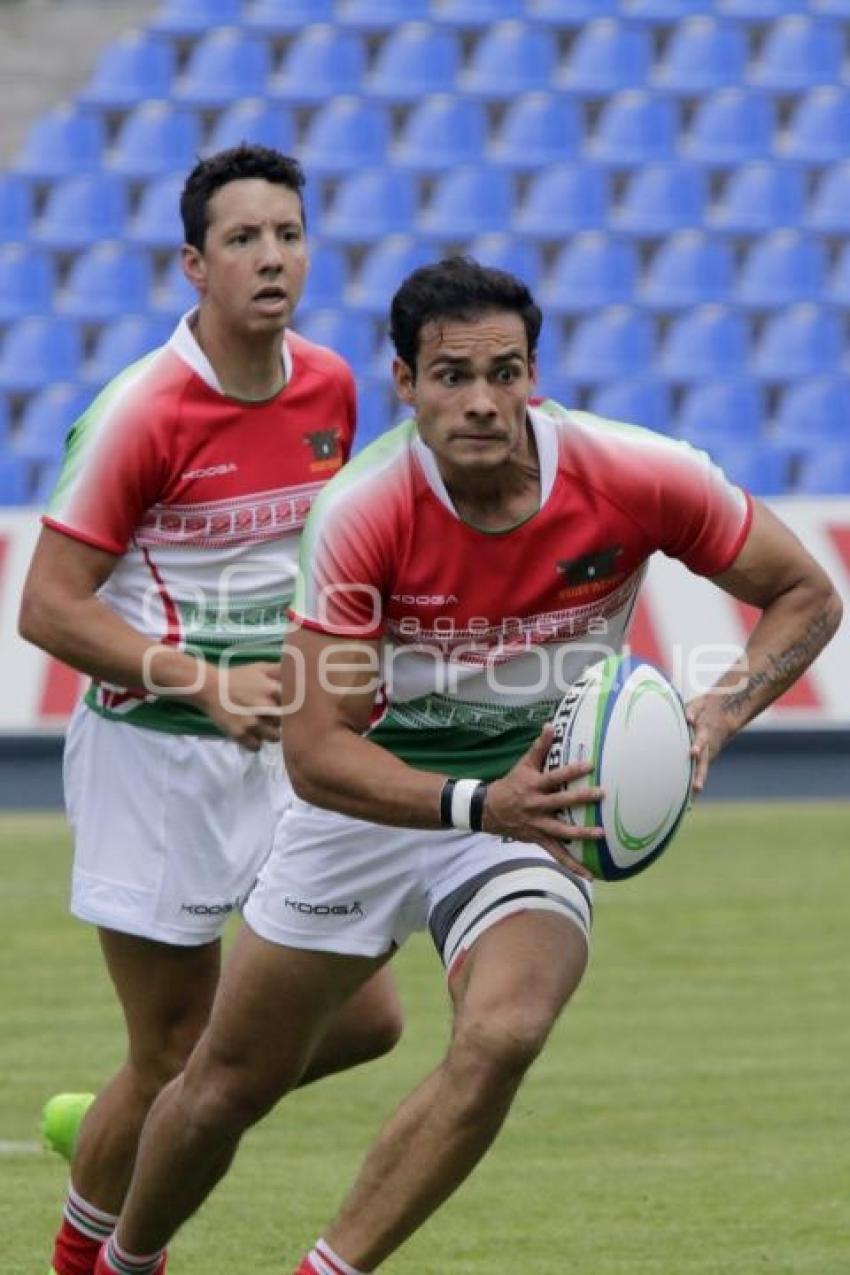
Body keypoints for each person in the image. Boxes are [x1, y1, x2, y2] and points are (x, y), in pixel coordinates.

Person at [92, 257, 841, 1274]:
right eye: (451, 376)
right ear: (403, 382)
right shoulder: (363, 514)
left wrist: (715, 716)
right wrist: (480, 802)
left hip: (541, 807)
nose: (481, 402)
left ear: (535, 374)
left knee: (504, 1031)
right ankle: (120, 1261)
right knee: (225, 1085)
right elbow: (314, 758)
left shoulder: (638, 475)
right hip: (374, 806)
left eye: (505, 372)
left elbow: (806, 593)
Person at [18, 144, 403, 1275]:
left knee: (369, 1019)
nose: (270, 257)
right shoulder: (140, 412)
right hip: (157, 755)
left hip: (283, 752)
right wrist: (207, 683)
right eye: (242, 239)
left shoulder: (330, 385)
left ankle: (134, 1111)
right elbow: (47, 608)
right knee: (180, 1042)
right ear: (194, 264)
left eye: (287, 234)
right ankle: (87, 1249)